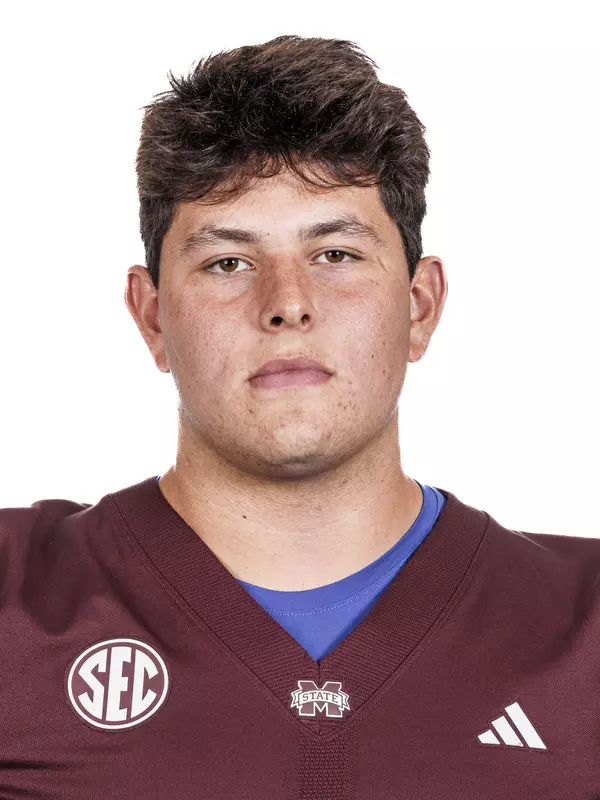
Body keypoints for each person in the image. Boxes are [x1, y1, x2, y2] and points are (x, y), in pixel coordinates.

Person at [1, 34, 598, 799]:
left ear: (420, 305)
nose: (287, 304)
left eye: (335, 254)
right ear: (152, 318)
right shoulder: (15, 598)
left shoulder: (586, 629)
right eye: (228, 262)